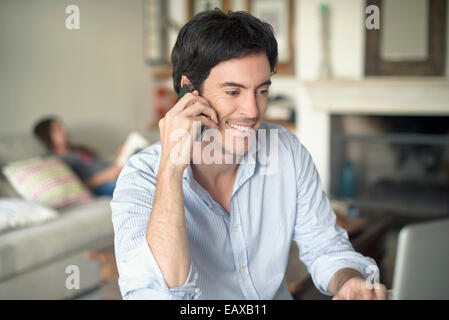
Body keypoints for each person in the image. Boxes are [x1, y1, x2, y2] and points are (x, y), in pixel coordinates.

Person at [110, 9, 387, 300]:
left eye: (262, 91)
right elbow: (156, 293)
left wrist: (348, 281)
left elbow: (325, 246)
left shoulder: (286, 150)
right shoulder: (142, 176)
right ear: (189, 92)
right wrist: (171, 169)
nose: (253, 111)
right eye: (233, 92)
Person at [33, 116, 123, 197]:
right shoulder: (53, 160)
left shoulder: (77, 150)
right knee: (126, 187)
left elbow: (100, 165)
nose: (63, 131)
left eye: (61, 127)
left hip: (114, 173)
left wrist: (118, 158)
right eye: (57, 129)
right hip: (101, 184)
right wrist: (106, 176)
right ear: (47, 135)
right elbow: (75, 187)